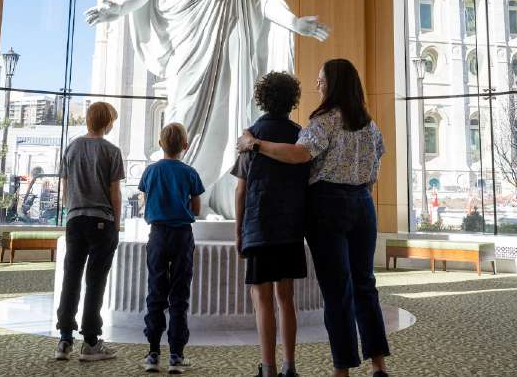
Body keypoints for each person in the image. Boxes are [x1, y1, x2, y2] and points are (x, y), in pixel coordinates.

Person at [85, 0, 329, 217]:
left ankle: (212, 196)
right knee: (181, 113)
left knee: (224, 121)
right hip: (187, 49)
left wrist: (292, 21)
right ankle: (181, 198)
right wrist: (117, 8)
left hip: (227, 52)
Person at [237, 59, 390, 377]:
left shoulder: (323, 121)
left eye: (321, 80)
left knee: (337, 291)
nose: (317, 84)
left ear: (332, 84)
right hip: (364, 204)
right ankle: (378, 364)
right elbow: (376, 166)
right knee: (366, 285)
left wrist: (256, 144)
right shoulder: (368, 123)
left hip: (328, 206)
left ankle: (342, 369)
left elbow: (300, 154)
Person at [232, 71, 308, 377]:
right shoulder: (300, 134)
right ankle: (290, 365)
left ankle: (269, 367)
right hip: (290, 226)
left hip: (259, 225)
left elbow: (241, 189)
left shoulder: (249, 136)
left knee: (261, 298)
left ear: (262, 98)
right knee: (286, 298)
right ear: (293, 100)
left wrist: (239, 232)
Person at [54, 102, 125, 362]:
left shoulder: (71, 147)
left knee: (70, 277)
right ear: (107, 122)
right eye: (112, 121)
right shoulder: (111, 151)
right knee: (95, 281)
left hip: (74, 219)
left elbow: (65, 189)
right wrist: (116, 225)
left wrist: (72, 208)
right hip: (101, 221)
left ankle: (64, 340)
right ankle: (91, 342)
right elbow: (115, 194)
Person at [138, 123, 205, 374]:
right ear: (185, 146)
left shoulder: (150, 172)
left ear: (160, 144)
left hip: (157, 234)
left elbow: (144, 201)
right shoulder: (190, 173)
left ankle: (153, 353)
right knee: (179, 295)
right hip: (182, 236)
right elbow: (197, 209)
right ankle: (176, 355)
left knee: (155, 292)